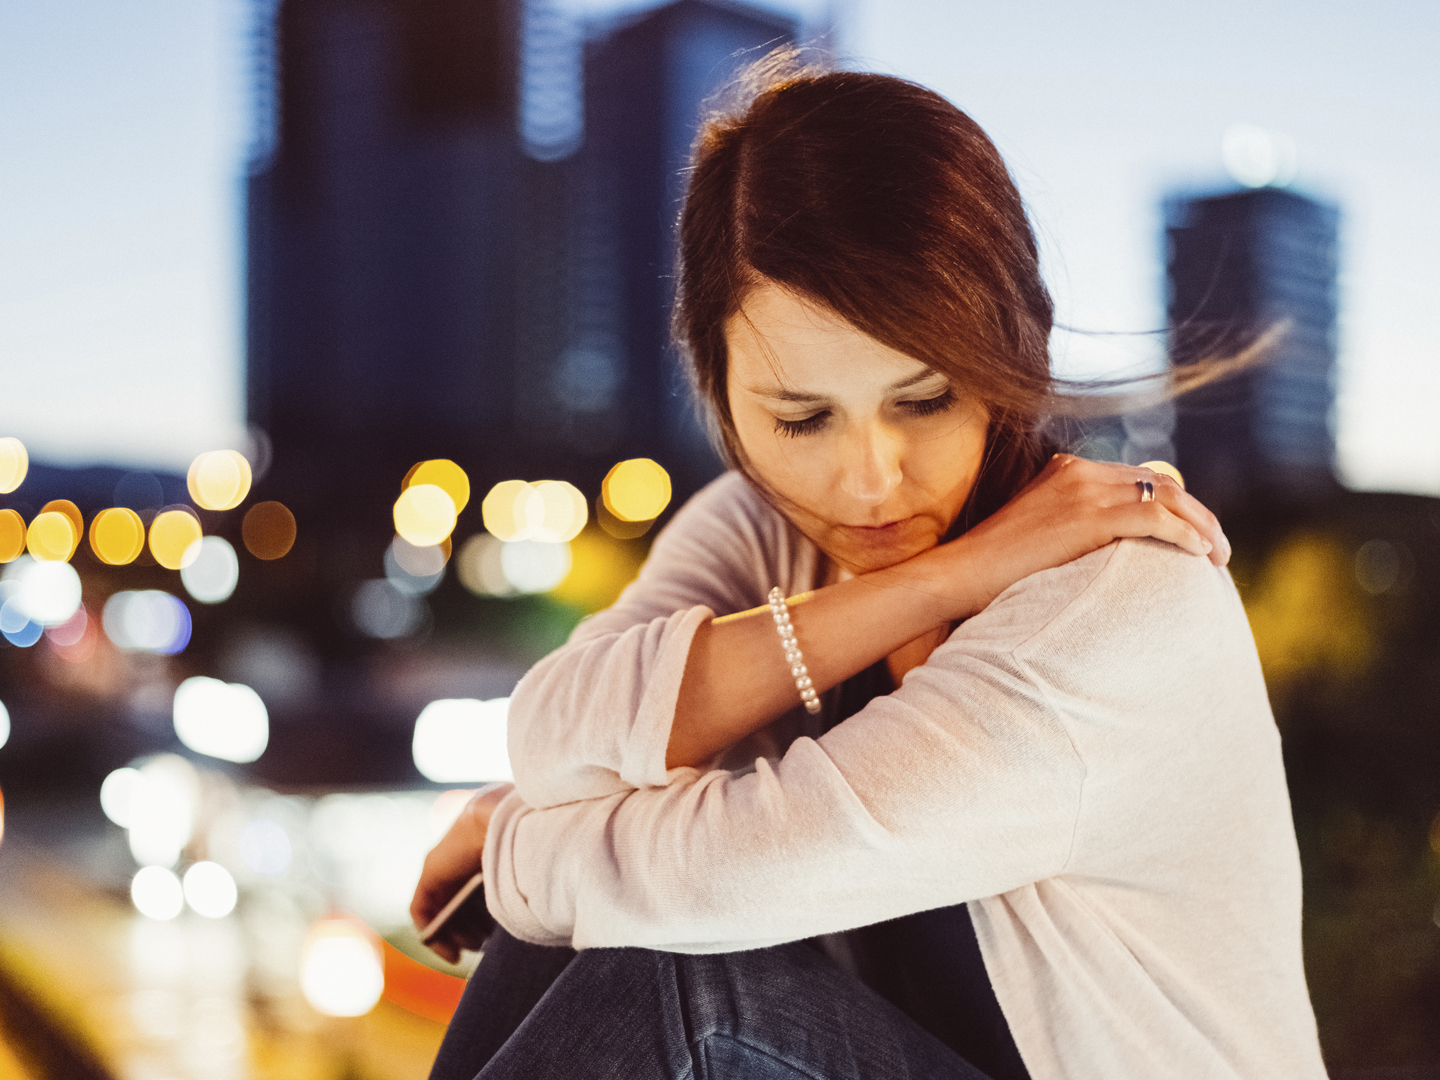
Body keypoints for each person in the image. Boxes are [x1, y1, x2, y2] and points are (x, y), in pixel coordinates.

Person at [412, 52, 1326, 1080]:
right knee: (614, 931)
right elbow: (549, 732)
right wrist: (938, 581)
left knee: (680, 985)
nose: (869, 483)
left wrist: (512, 844)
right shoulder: (769, 532)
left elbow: (722, 878)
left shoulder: (1116, 608)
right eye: (800, 419)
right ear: (719, 393)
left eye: (925, 400)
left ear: (1009, 353)